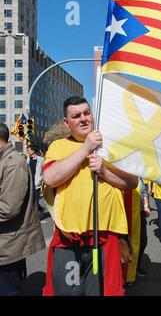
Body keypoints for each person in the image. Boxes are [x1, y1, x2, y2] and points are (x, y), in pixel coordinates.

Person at [42, 96, 138, 296]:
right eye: (76, 116)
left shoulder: (111, 145)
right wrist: (85, 148)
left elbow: (132, 182)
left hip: (105, 238)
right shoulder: (58, 146)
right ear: (67, 123)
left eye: (87, 113)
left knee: (104, 292)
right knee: (68, 292)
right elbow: (50, 178)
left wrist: (104, 172)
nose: (84, 118)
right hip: (68, 240)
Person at [0, 122, 45, 296]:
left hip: (9, 246)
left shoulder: (13, 163)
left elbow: (8, 208)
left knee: (9, 289)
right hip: (6, 243)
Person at [26, 144, 45, 216]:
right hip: (29, 181)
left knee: (36, 200)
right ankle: (40, 209)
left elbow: (44, 170)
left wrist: (42, 179)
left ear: (33, 151)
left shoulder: (41, 159)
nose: (28, 151)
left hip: (37, 181)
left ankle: (36, 216)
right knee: (31, 200)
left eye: (29, 150)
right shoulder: (28, 159)